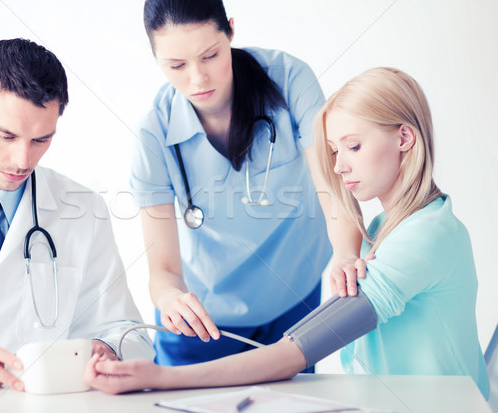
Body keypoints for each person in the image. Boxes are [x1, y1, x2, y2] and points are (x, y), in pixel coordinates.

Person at [85, 67, 490, 399]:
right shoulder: (388, 229)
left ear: (404, 138)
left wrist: (158, 376)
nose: (338, 166)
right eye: (333, 151)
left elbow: (294, 354)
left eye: (353, 147)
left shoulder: (425, 237)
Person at [0, 38, 154, 390]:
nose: (23, 161)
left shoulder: (84, 210)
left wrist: (108, 349)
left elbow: (128, 333)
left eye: (41, 140)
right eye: (7, 136)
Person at [132, 0, 364, 367]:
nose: (198, 79)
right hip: (201, 322)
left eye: (210, 55)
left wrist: (345, 253)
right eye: (176, 66)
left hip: (293, 300)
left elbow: (333, 182)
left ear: (231, 31)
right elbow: (164, 271)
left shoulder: (289, 79)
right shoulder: (154, 136)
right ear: (155, 56)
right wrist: (170, 297)